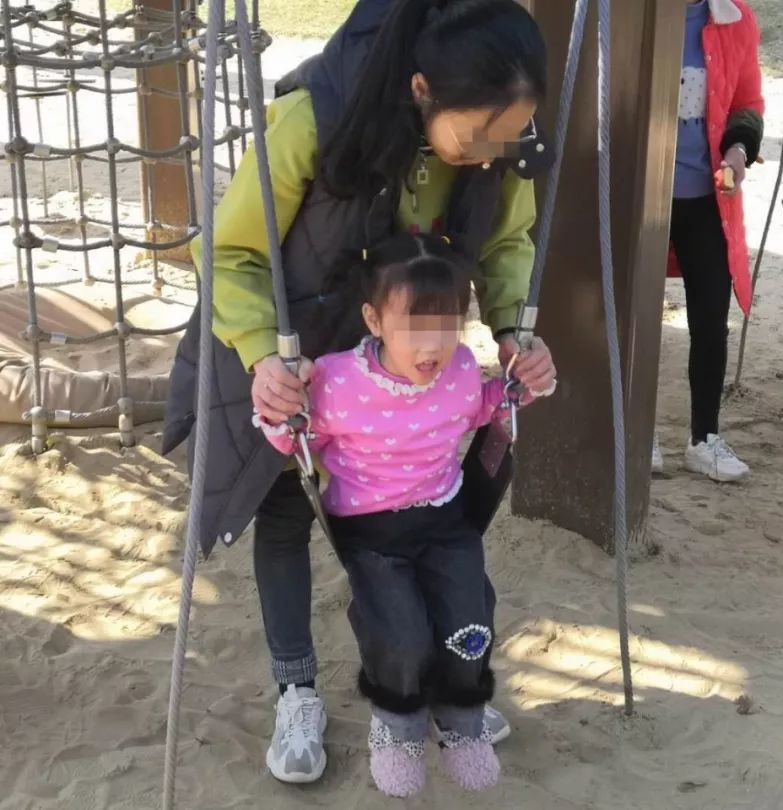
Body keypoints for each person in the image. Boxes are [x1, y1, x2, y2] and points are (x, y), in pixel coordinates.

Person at [162, 0, 557, 785]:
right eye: (482, 132)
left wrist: (516, 328)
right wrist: (261, 357)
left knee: (421, 520)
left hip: (406, 366)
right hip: (297, 353)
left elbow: (509, 240)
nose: (497, 151)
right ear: (421, 88)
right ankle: (297, 688)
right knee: (285, 512)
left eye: (512, 133)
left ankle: (440, 684)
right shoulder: (315, 120)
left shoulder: (496, 144)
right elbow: (233, 251)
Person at [257, 233, 556, 796]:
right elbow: (297, 438)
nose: (431, 348)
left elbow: (482, 405)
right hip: (371, 533)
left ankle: (461, 722)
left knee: (470, 620)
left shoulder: (461, 368)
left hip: (445, 519)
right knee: (402, 635)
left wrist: (520, 389)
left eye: (447, 328)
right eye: (414, 329)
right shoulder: (336, 381)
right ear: (373, 319)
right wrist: (281, 416)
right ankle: (397, 730)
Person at [653, 0, 765, 483]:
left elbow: (748, 102)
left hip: (708, 199)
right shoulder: (625, 14)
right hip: (640, 197)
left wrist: (739, 150)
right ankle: (635, 431)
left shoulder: (735, 17)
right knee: (635, 317)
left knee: (710, 319)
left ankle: (705, 438)